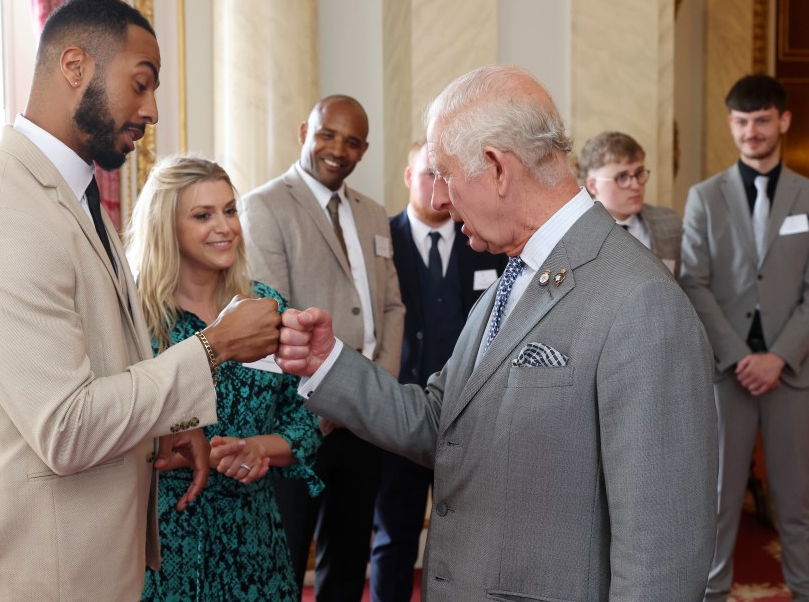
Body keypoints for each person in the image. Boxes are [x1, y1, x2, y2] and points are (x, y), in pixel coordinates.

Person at [276, 64, 718, 601]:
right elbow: (444, 421)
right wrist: (328, 361)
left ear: (497, 169)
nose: (438, 198)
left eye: (444, 174)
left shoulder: (641, 302)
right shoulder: (512, 276)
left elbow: (661, 559)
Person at [0, 0, 280, 602]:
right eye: (141, 85)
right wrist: (211, 348)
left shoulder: (69, 191)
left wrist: (163, 430)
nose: (153, 111)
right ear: (75, 66)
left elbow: (93, 363)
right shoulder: (4, 215)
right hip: (39, 565)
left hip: (83, 552)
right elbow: (65, 428)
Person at [126, 154, 323, 602]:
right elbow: (117, 428)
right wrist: (207, 456)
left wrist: (257, 448)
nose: (225, 226)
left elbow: (306, 420)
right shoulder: (137, 318)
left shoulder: (265, 307)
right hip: (166, 543)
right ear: (166, 226)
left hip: (256, 543)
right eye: (203, 215)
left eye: (229, 210)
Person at [241, 95, 405, 600]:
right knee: (285, 557)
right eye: (327, 134)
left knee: (349, 556)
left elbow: (393, 308)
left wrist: (375, 392)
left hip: (364, 419)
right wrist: (329, 399)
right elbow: (273, 314)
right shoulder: (264, 205)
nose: (338, 149)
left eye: (352, 141)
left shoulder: (374, 214)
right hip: (300, 417)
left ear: (364, 150)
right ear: (303, 133)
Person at [680, 73, 809, 602]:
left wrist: (779, 356)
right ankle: (712, 596)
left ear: (783, 122)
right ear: (731, 124)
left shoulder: (807, 195)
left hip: (791, 374)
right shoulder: (705, 197)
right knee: (717, 502)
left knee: (797, 504)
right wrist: (740, 357)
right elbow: (693, 281)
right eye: (740, 121)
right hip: (728, 374)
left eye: (760, 120)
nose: (750, 131)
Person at [371, 139, 506, 602]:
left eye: (443, 175)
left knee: (471, 538)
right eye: (426, 173)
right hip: (403, 418)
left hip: (473, 417)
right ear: (408, 177)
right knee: (394, 537)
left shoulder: (484, 241)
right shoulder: (381, 242)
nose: (435, 186)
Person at [579, 131, 682, 274]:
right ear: (592, 185)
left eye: (639, 173)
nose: (635, 185)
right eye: (622, 177)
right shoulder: (577, 232)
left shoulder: (670, 223)